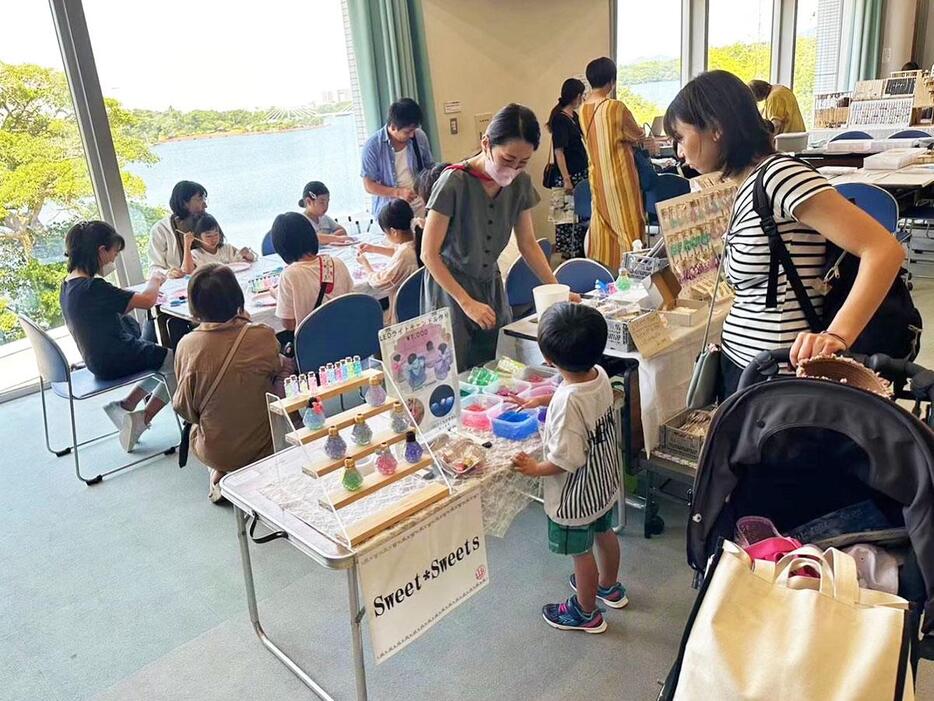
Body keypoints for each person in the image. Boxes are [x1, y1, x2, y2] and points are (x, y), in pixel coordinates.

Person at [664, 70, 904, 397]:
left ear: (715, 127)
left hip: (779, 376)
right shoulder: (742, 184)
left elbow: (883, 249)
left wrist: (837, 337)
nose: (679, 152)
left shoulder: (779, 176)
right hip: (747, 368)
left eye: (680, 137)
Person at [421, 103, 569, 370]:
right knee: (454, 371)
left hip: (490, 284)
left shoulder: (520, 184)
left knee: (497, 367)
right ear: (486, 144)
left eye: (522, 163)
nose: (512, 169)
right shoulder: (454, 182)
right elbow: (428, 254)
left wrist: (557, 290)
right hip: (449, 290)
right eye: (507, 160)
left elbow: (527, 244)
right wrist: (466, 303)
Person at [512, 303, 626, 633]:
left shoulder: (566, 402)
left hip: (577, 494)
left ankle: (586, 612)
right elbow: (578, 397)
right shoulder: (599, 374)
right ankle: (609, 586)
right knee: (605, 533)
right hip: (603, 482)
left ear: (548, 360)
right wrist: (544, 399)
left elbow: (565, 460)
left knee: (581, 553)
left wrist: (534, 468)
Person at [60, 220, 174, 452]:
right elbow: (147, 300)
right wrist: (155, 279)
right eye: (113, 253)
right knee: (178, 362)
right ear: (101, 251)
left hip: (98, 359)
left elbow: (120, 303)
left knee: (163, 362)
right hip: (115, 356)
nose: (113, 259)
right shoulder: (94, 287)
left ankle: (126, 404)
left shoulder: (69, 285)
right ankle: (142, 419)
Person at [173, 264, 282, 502]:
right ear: (237, 298)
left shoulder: (187, 346)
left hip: (217, 450)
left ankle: (221, 472)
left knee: (202, 423)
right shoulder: (261, 335)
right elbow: (276, 371)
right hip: (267, 443)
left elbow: (184, 409)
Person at [581, 57, 647, 270]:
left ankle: (606, 267)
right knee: (628, 224)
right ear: (611, 80)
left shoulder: (582, 110)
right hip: (620, 177)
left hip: (597, 177)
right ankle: (633, 268)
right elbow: (636, 134)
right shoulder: (615, 107)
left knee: (604, 225)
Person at [270, 212, 353, 332]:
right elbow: (351, 301)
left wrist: (277, 296)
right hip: (347, 336)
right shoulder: (337, 263)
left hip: (314, 345)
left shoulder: (289, 275)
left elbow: (289, 324)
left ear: (281, 247)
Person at [361, 98, 434, 218]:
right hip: (392, 210)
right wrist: (398, 192)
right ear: (393, 127)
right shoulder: (373, 146)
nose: (412, 135)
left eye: (414, 130)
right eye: (407, 131)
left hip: (420, 204)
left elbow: (429, 166)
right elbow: (369, 185)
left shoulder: (419, 136)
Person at [357, 198, 421, 322]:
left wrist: (365, 265)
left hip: (404, 313)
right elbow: (398, 252)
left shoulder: (404, 254)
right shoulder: (416, 240)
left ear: (393, 232)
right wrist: (374, 249)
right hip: (418, 306)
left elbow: (379, 282)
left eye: (386, 233)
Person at [547, 78, 589, 259]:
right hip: (566, 175)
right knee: (565, 218)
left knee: (580, 215)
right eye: (581, 95)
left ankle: (580, 250)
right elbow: (559, 152)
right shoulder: (560, 120)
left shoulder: (574, 116)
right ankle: (568, 254)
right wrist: (566, 179)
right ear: (576, 96)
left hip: (580, 173)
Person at [149, 180, 208, 278]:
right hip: (180, 284)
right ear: (184, 203)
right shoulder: (161, 229)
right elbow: (154, 269)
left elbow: (220, 251)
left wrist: (238, 254)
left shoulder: (206, 221)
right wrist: (168, 273)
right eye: (200, 199)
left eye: (204, 199)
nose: (205, 205)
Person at [180, 213, 256, 273]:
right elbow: (187, 271)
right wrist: (187, 245)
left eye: (216, 234)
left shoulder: (226, 248)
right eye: (208, 236)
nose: (213, 239)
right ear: (198, 237)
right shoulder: (195, 254)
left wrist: (247, 254)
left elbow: (251, 259)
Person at [297, 181, 354, 246]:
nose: (326, 206)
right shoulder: (301, 221)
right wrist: (335, 238)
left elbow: (342, 230)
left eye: (327, 202)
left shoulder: (324, 218)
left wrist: (329, 239)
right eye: (322, 202)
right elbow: (313, 239)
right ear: (309, 201)